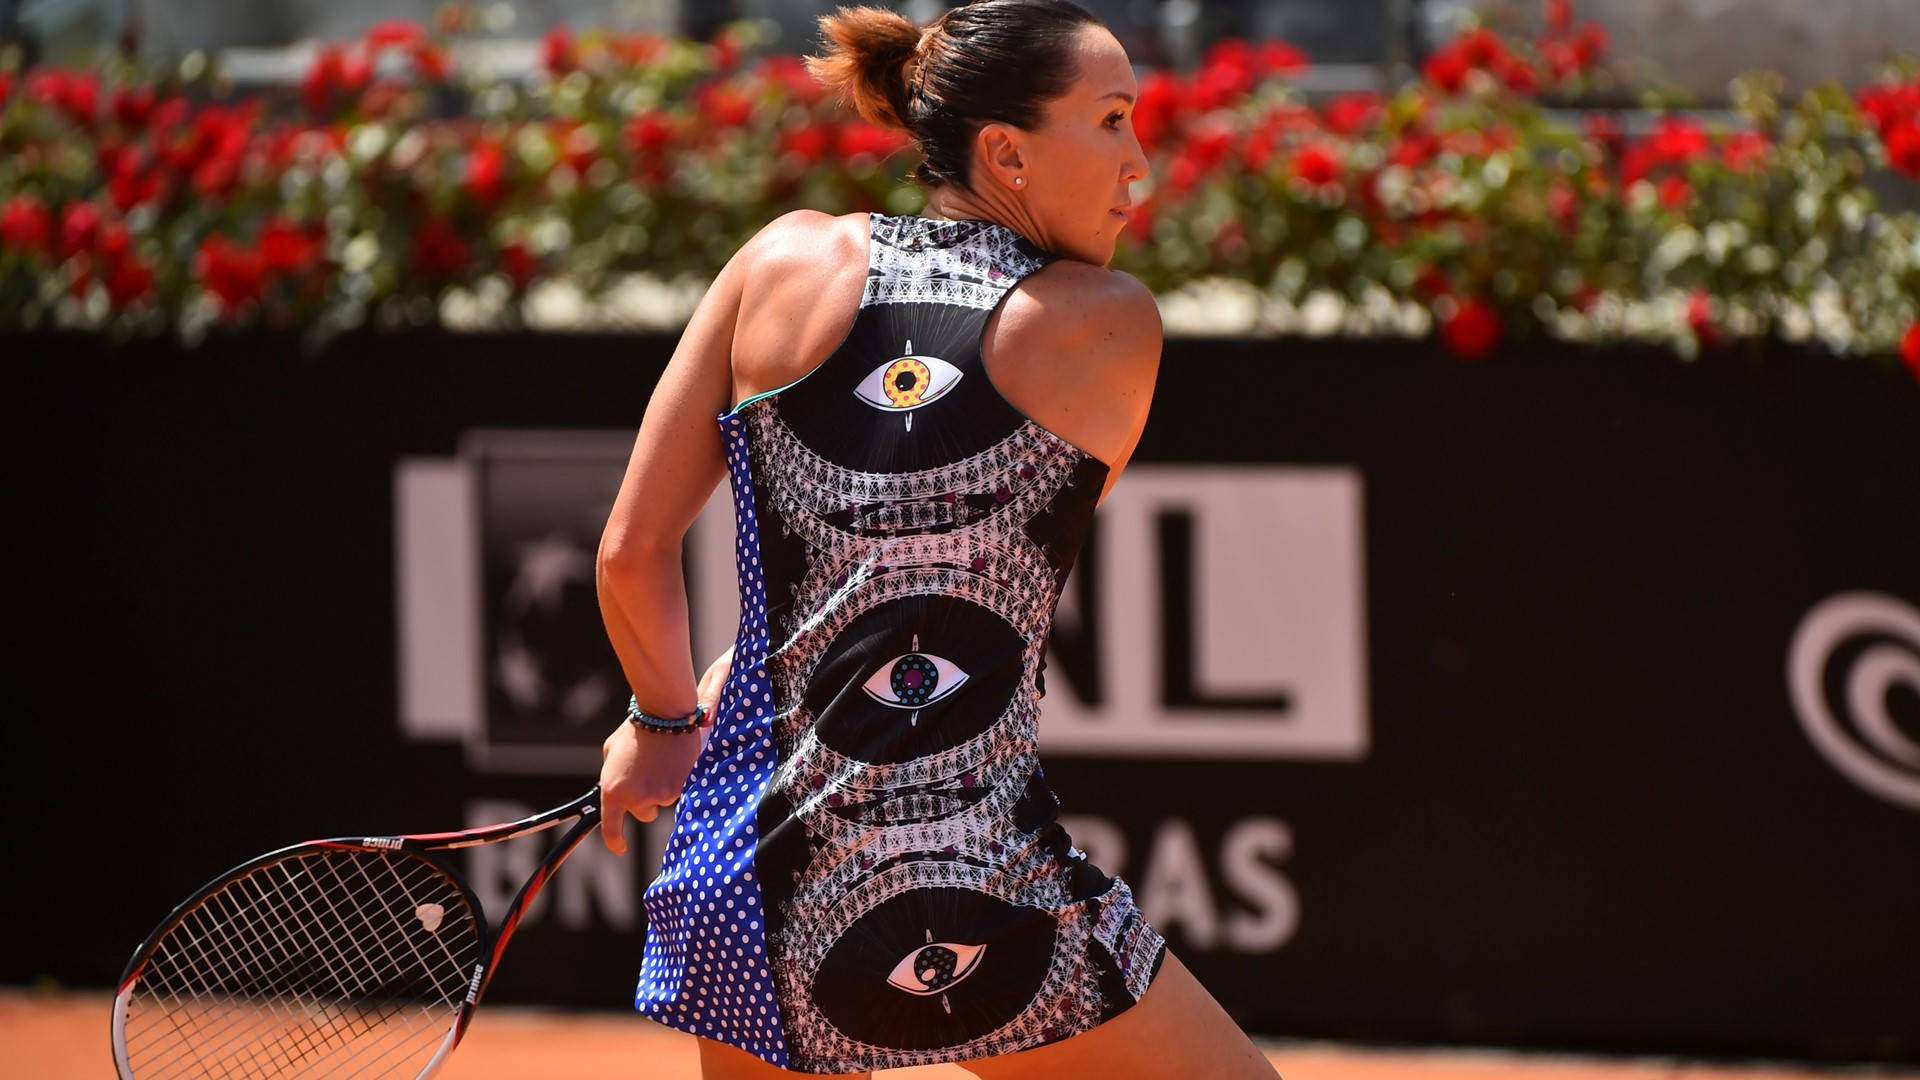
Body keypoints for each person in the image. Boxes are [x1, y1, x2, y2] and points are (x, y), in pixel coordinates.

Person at [594, 1, 1279, 1076]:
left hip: (753, 896)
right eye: (1109, 122)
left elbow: (631, 555)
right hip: (971, 890)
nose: (1137, 164)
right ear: (1004, 152)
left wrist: (663, 718)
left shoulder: (777, 261)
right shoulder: (1107, 325)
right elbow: (955, 570)